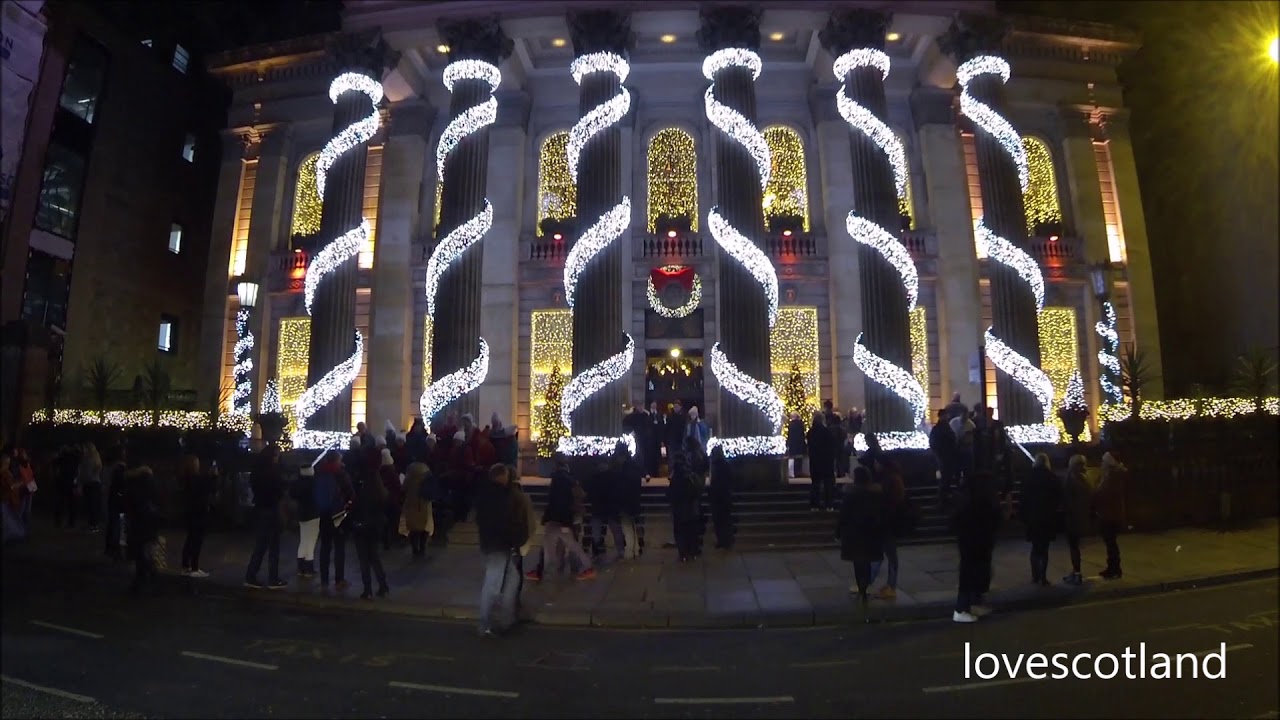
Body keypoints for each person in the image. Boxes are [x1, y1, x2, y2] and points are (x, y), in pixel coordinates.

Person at [474, 464, 531, 637]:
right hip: (499, 545)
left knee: (511, 579)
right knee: (493, 584)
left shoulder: (486, 494)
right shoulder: (500, 496)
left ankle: (506, 618)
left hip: (493, 543)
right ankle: (486, 623)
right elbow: (506, 522)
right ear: (500, 476)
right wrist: (515, 539)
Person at [525, 454, 595, 582]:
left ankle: (543, 570)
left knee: (552, 546)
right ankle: (584, 567)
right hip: (564, 519)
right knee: (570, 545)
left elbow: (557, 502)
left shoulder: (559, 480)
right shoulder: (570, 480)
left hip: (557, 519)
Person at [952, 472, 1001, 623]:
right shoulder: (980, 502)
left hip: (970, 542)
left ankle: (972, 604)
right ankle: (962, 608)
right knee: (972, 574)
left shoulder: (965, 500)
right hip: (977, 542)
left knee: (973, 573)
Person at [837, 465, 885, 611]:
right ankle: (865, 587)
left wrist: (838, 532)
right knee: (868, 560)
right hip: (871, 530)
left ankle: (861, 588)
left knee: (858, 562)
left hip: (855, 531)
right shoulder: (876, 493)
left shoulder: (851, 494)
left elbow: (844, 514)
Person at [244, 445, 287, 589]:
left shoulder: (257, 471)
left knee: (261, 545)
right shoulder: (273, 473)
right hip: (271, 508)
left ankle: (251, 575)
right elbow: (278, 490)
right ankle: (273, 578)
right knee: (273, 545)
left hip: (261, 508)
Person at [1020, 453, 1062, 587]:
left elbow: (1023, 498)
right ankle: (1043, 576)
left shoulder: (1029, 477)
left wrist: (1024, 515)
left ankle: (1035, 575)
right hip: (1047, 517)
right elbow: (1058, 497)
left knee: (1035, 547)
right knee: (1044, 548)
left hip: (1033, 517)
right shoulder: (1052, 478)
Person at [314, 449, 352, 589]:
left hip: (324, 513)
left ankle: (324, 579)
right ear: (336, 460)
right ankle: (339, 579)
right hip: (338, 514)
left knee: (325, 546)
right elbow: (350, 493)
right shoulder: (340, 474)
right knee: (339, 547)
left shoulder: (320, 472)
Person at [350, 466, 390, 600]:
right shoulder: (381, 493)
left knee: (364, 561)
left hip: (362, 529)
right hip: (375, 529)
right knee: (375, 558)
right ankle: (383, 586)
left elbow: (355, 510)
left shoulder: (362, 494)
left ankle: (367, 589)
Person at [872, 453, 907, 599]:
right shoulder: (892, 478)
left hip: (888, 520)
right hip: (888, 520)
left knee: (887, 554)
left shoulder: (890, 480)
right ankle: (876, 582)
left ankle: (889, 585)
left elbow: (890, 500)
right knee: (884, 553)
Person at [125, 466, 162, 595]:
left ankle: (141, 580)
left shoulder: (131, 484)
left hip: (137, 523)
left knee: (140, 553)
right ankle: (151, 578)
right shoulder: (151, 483)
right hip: (150, 522)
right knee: (147, 553)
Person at [667, 438, 704, 562]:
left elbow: (670, 494)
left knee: (680, 532)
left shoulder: (676, 478)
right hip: (690, 509)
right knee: (690, 531)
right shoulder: (690, 476)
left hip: (679, 509)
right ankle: (691, 551)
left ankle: (683, 553)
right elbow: (695, 491)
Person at [180, 455, 215, 578]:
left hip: (190, 512)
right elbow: (206, 490)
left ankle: (186, 566)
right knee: (196, 540)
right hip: (198, 512)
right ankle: (194, 567)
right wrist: (212, 477)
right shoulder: (195, 479)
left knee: (190, 539)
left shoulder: (187, 479)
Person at [1093, 452, 1127, 579]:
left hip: (1110, 515)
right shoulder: (1110, 475)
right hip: (1110, 513)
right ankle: (1113, 567)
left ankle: (1114, 568)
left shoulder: (1112, 477)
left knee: (1111, 542)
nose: (1101, 464)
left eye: (1103, 462)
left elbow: (1104, 493)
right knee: (1110, 542)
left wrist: (1095, 492)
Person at [587, 451, 625, 561]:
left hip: (598, 507)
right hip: (610, 507)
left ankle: (596, 552)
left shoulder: (594, 477)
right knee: (615, 530)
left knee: (596, 531)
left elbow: (589, 491)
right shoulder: (613, 476)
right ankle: (620, 550)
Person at [1061, 454, 1090, 585]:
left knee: (1073, 546)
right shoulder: (1086, 479)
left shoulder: (1070, 479)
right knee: (1075, 546)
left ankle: (1076, 573)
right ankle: (1076, 571)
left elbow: (1067, 500)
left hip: (1073, 518)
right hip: (1082, 516)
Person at [616, 441, 646, 559]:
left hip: (625, 502)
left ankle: (630, 552)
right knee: (633, 527)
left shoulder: (622, 470)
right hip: (635, 500)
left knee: (627, 528)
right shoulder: (634, 466)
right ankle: (636, 549)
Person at [401, 460, 435, 558]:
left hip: (412, 503)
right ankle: (423, 548)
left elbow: (403, 488)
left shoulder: (410, 473)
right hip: (425, 503)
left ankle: (415, 549)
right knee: (425, 527)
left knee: (413, 527)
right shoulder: (427, 473)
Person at [292, 462, 319, 579]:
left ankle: (301, 568)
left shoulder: (297, 484)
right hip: (313, 514)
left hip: (301, 514)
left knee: (303, 540)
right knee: (311, 541)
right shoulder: (314, 484)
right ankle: (309, 568)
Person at [806, 411, 835, 511]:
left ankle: (814, 505)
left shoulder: (810, 432)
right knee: (828, 484)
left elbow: (810, 446)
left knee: (815, 484)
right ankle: (829, 505)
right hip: (826, 461)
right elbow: (831, 447)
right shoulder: (827, 432)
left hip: (815, 461)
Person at [103, 446, 128, 562]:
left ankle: (111, 547)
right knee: (118, 525)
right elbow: (120, 485)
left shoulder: (110, 468)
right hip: (119, 501)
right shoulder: (120, 469)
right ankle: (116, 549)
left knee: (113, 523)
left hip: (113, 499)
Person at [708, 446, 735, 550]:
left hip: (719, 498)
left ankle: (723, 541)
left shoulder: (717, 466)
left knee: (720, 522)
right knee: (724, 521)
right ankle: (725, 541)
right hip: (724, 497)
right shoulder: (725, 465)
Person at [929, 408, 957, 506]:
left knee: (946, 477)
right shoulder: (941, 428)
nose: (947, 417)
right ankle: (943, 499)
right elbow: (934, 443)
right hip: (944, 456)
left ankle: (944, 498)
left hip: (947, 455)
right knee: (945, 477)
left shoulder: (943, 427)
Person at [378, 448, 403, 551]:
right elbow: (397, 486)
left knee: (385, 521)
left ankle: (385, 540)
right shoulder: (392, 471)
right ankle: (393, 538)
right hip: (393, 500)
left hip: (383, 500)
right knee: (393, 520)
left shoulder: (378, 471)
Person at [54, 444, 81, 529]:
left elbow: (57, 465)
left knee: (62, 502)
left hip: (63, 481)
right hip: (71, 481)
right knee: (71, 503)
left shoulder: (63, 457)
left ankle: (59, 520)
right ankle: (71, 522)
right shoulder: (76, 458)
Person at [79, 442, 103, 532]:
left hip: (90, 483)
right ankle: (93, 524)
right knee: (92, 505)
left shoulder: (88, 459)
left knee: (91, 505)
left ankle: (93, 524)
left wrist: (82, 480)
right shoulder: (96, 459)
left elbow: (86, 472)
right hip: (94, 483)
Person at [645, 402, 664, 478]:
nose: (654, 407)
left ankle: (656, 473)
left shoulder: (659, 416)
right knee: (650, 458)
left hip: (657, 441)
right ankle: (650, 472)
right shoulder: (648, 416)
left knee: (657, 458)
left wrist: (661, 440)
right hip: (650, 441)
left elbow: (661, 427)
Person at [785, 412, 807, 479]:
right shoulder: (801, 424)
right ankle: (798, 472)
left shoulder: (791, 425)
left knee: (793, 458)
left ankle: (793, 472)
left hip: (793, 443)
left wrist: (788, 443)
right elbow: (802, 434)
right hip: (799, 443)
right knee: (799, 459)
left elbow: (789, 435)